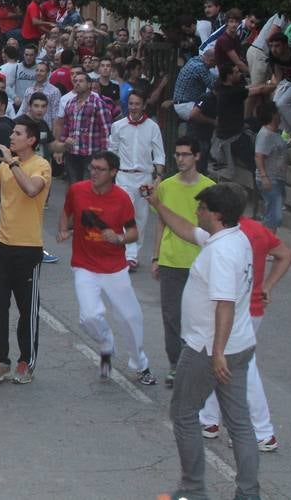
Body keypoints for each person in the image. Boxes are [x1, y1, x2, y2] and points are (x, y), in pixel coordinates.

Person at [160, 184, 260, 500]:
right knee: (240, 423)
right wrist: (156, 204)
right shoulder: (235, 238)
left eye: (201, 208)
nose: (197, 212)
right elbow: (188, 231)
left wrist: (216, 353)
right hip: (240, 344)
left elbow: (224, 304)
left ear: (215, 214)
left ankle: (193, 489)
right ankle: (248, 493)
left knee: (184, 413)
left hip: (208, 348)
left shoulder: (220, 252)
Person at [57, 150, 157, 385]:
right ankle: (106, 344)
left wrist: (119, 239)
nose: (93, 172)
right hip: (84, 266)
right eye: (92, 167)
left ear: (113, 173)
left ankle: (140, 364)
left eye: (100, 169)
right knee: (89, 317)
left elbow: (133, 231)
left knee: (131, 317)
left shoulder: (122, 198)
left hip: (114, 268)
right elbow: (67, 212)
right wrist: (63, 229)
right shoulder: (77, 190)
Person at [0, 118, 52, 384]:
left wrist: (12, 162)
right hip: (1, 243)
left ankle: (25, 362)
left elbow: (31, 190)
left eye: (17, 134)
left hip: (27, 248)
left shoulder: (41, 165)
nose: (12, 138)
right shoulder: (7, 167)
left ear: (31, 140)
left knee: (26, 309)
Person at [151, 136, 216, 388]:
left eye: (185, 154)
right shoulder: (166, 186)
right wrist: (156, 256)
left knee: (200, 316)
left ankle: (200, 363)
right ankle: (176, 365)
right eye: (177, 154)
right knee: (172, 316)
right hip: (171, 261)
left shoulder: (210, 187)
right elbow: (161, 222)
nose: (180, 159)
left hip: (201, 262)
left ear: (197, 156)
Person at [108, 89, 165, 269]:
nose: (133, 107)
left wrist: (159, 176)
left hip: (144, 178)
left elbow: (159, 153)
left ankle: (133, 255)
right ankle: (126, 253)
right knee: (125, 214)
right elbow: (112, 151)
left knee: (141, 217)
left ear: (144, 105)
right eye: (131, 104)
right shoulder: (118, 126)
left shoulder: (152, 127)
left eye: (137, 104)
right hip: (123, 176)